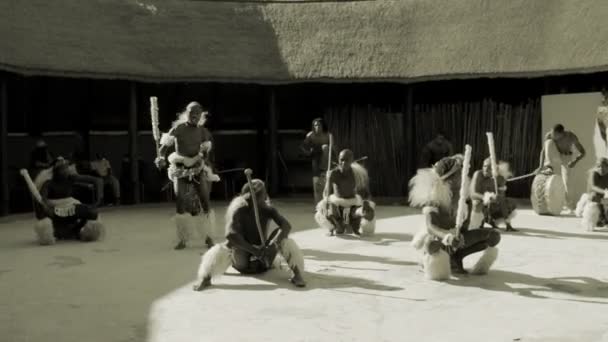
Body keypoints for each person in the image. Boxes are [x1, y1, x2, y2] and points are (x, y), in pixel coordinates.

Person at [193, 178, 306, 291]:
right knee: (229, 243)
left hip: (264, 260)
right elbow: (230, 235)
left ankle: (297, 274)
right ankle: (206, 278)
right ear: (248, 197)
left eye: (261, 195)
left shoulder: (268, 210)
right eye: (257, 196)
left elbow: (286, 226)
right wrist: (254, 251)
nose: (262, 198)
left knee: (282, 236)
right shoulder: (238, 210)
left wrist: (272, 244)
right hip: (243, 261)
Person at [409, 154, 501, 279]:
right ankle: (432, 262)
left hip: (456, 239)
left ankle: (456, 258)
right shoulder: (434, 199)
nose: (464, 175)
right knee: (432, 245)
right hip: (440, 239)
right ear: (450, 179)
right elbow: (431, 227)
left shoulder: (464, 198)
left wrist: (459, 239)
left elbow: (465, 226)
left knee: (494, 236)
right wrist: (448, 238)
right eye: (460, 173)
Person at [155, 102, 220, 250]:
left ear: (201, 115)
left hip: (197, 169)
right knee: (180, 203)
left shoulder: (203, 132)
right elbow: (163, 148)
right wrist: (160, 158)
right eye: (192, 112)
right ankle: (182, 239)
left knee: (205, 202)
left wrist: (202, 157)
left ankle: (208, 237)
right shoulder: (178, 129)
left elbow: (206, 153)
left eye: (197, 113)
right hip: (180, 169)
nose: (194, 115)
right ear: (187, 113)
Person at [31, 157, 105, 245]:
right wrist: (46, 207)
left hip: (71, 206)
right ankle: (54, 233)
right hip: (55, 210)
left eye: (67, 167)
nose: (66, 170)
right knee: (42, 212)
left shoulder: (71, 178)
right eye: (63, 168)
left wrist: (98, 200)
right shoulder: (48, 183)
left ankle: (77, 230)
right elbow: (42, 199)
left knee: (92, 212)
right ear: (56, 170)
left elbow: (97, 180)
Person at [315, 149, 376, 236]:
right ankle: (337, 225)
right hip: (337, 203)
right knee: (328, 209)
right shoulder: (333, 173)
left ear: (352, 160)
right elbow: (326, 192)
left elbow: (365, 191)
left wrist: (365, 201)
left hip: (353, 202)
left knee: (356, 213)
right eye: (341, 160)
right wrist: (326, 201)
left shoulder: (356, 173)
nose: (343, 163)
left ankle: (361, 212)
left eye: (346, 160)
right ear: (338, 159)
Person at [538, 124, 586, 212]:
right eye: (552, 133)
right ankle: (549, 167)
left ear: (562, 133)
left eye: (555, 134)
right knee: (548, 142)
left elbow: (583, 152)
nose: (552, 136)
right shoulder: (549, 135)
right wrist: (540, 166)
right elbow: (543, 151)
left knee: (567, 182)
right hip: (555, 155)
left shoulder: (571, 136)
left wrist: (574, 161)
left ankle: (569, 206)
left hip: (566, 157)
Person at [469, 158, 518, 232]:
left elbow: (502, 200)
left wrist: (508, 223)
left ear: (495, 170)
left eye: (489, 167)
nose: (486, 169)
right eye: (484, 166)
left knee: (510, 204)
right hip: (474, 205)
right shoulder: (478, 174)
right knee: (477, 203)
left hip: (488, 207)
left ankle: (490, 219)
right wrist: (486, 197)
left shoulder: (499, 179)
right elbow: (472, 194)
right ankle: (475, 223)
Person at [300, 118, 334, 205]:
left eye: (319, 125)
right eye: (315, 125)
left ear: (323, 126)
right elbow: (302, 147)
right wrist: (308, 153)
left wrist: (336, 161)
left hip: (327, 162)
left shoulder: (328, 135)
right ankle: (317, 205)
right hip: (316, 159)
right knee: (317, 182)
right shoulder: (311, 135)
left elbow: (333, 149)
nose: (317, 127)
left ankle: (327, 204)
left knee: (326, 183)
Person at [575, 158, 608, 231]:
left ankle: (603, 219)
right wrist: (605, 192)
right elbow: (594, 187)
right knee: (594, 201)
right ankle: (584, 208)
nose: (601, 168)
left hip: (603, 199)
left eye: (603, 166)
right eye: (599, 166)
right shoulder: (594, 173)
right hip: (592, 197)